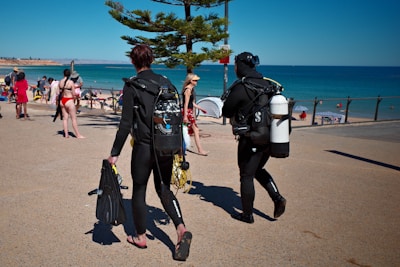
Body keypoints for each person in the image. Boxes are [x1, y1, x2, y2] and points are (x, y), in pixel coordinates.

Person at [107, 44, 192, 261]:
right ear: (151, 60)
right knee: (164, 188)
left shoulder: (133, 85)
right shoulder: (166, 82)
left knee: (140, 189)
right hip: (166, 145)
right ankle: (181, 228)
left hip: (144, 147)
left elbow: (125, 124)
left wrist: (115, 152)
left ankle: (140, 236)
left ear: (133, 62)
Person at [221, 52, 287, 223]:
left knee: (246, 175)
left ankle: (247, 214)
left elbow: (226, 111)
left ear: (241, 66)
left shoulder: (242, 86)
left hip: (250, 137)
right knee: (257, 169)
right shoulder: (268, 84)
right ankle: (277, 198)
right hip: (270, 137)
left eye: (236, 65)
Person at [182, 73, 208, 156]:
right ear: (191, 81)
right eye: (195, 80)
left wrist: (201, 109)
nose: (196, 82)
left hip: (189, 111)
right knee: (195, 130)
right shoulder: (188, 90)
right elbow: (185, 104)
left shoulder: (191, 89)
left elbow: (191, 103)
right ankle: (200, 150)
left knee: (189, 130)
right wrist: (185, 116)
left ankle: (183, 147)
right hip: (187, 112)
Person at [58, 69, 85, 138]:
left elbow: (59, 93)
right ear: (70, 75)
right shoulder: (71, 82)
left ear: (63, 74)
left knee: (65, 118)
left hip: (62, 100)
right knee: (73, 118)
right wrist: (75, 97)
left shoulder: (60, 82)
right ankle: (78, 134)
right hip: (69, 100)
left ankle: (66, 134)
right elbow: (73, 93)